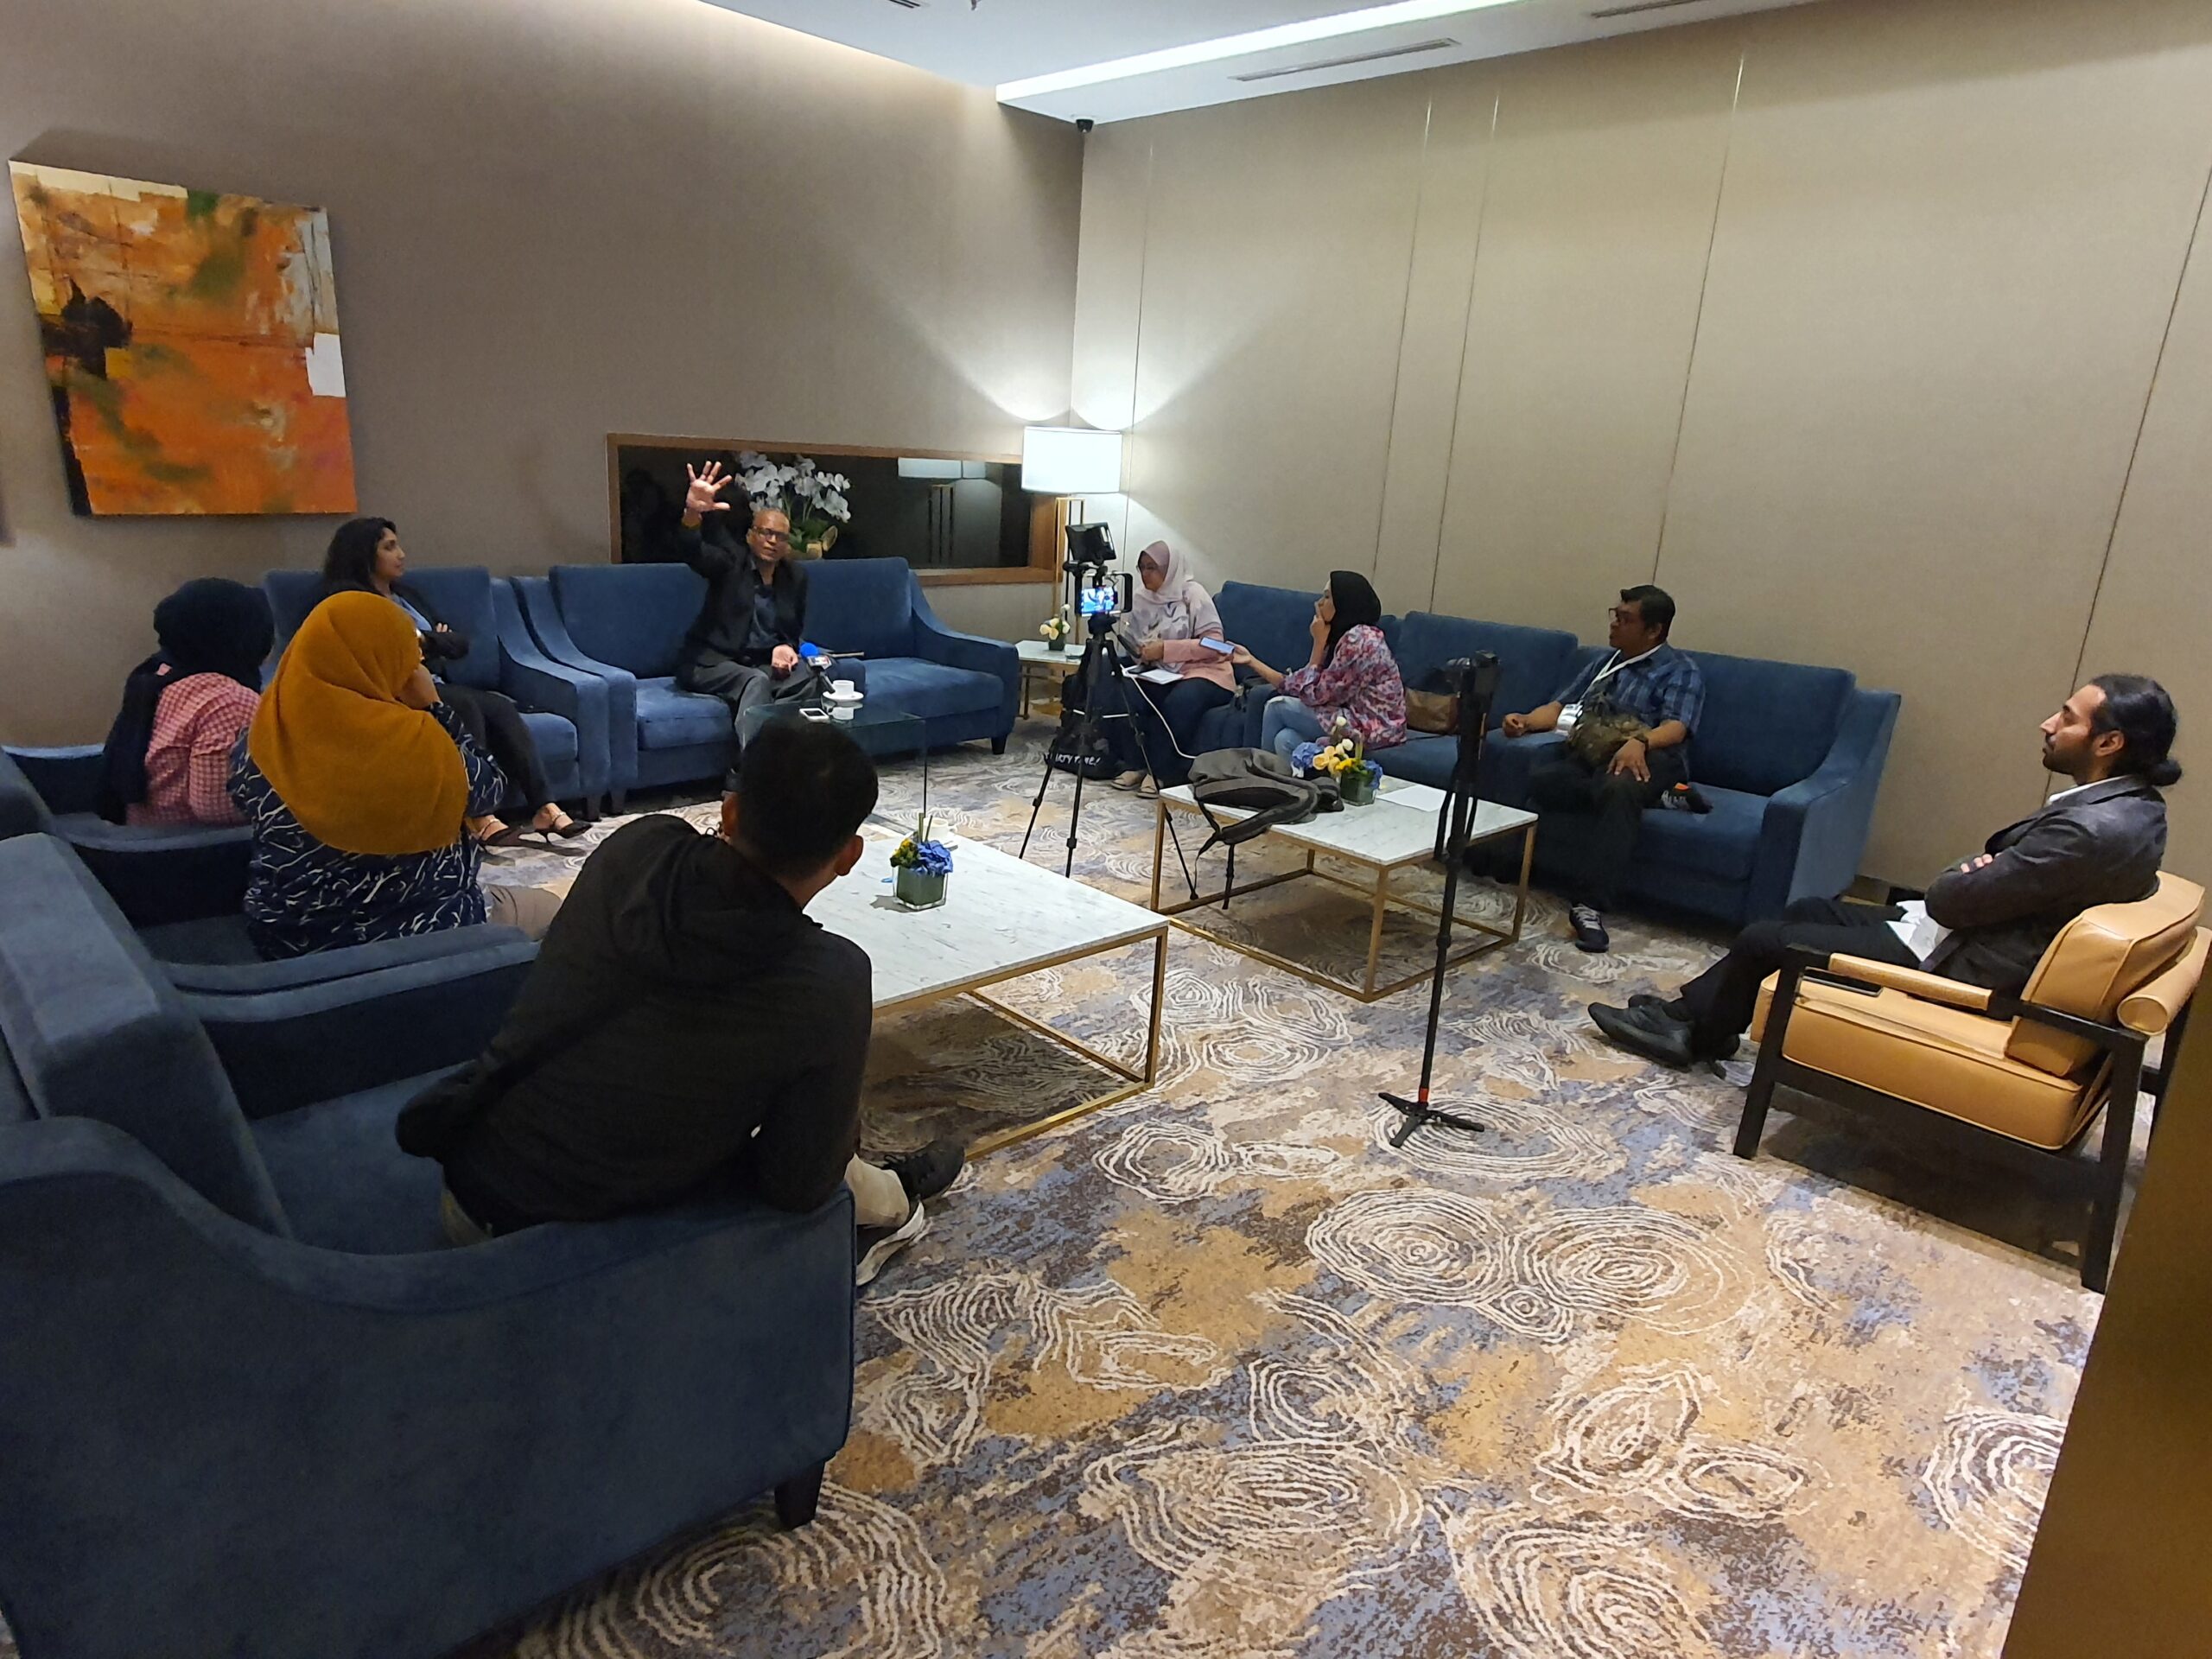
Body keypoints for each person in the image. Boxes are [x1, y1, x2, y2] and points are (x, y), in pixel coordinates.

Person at [411, 717, 963, 1287]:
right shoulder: (828, 977)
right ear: (849, 856)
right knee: (820, 1148)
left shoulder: (639, 843)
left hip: (468, 1168)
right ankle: (894, 1205)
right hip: (551, 1246)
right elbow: (797, 1186)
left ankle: (882, 1187)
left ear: (730, 813)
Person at [1589, 675, 2181, 1069]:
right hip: (1982, 933)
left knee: (1766, 938)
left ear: (2108, 742)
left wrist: (1968, 873)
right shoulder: (2134, 808)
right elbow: (1988, 886)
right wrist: (1983, 872)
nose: (2048, 724)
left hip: (1967, 962)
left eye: (2068, 718)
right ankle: (1697, 1019)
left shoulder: (2088, 830)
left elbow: (1950, 900)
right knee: (1807, 910)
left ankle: (1690, 1035)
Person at [230, 591, 562, 957]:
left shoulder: (262, 736)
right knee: (555, 908)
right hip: (423, 926)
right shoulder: (422, 741)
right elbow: (489, 790)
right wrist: (434, 706)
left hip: (288, 938)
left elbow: (244, 800)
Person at [321, 517, 584, 847]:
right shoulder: (349, 600)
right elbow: (382, 651)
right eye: (389, 547)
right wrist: (428, 640)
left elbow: (457, 644)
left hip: (433, 682)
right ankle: (479, 815)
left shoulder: (406, 595)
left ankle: (545, 808)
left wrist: (423, 641)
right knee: (464, 706)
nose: (401, 554)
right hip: (395, 692)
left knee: (501, 708)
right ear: (364, 554)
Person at [1501, 584, 1705, 954]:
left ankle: (1590, 905)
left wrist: (1640, 742)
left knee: (1619, 788)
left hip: (1653, 755)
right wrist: (1525, 721)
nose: (1614, 624)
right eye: (1615, 615)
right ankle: (1661, 798)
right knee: (1544, 781)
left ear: (1653, 630)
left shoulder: (1680, 671)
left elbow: (1677, 727)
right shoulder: (1605, 663)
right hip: (1597, 753)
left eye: (1625, 619)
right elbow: (1559, 706)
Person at [97, 577, 273, 826]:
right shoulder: (229, 701)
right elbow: (218, 808)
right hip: (192, 842)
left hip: (141, 833)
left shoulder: (159, 673)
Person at [666, 460, 816, 751]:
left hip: (757, 662)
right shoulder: (730, 563)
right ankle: (750, 767)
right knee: (756, 682)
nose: (772, 541)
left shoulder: (795, 577)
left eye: (780, 536)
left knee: (811, 677)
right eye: (765, 533)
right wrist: (692, 513)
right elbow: (692, 551)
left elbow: (792, 631)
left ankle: (781, 751)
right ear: (750, 536)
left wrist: (785, 648)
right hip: (710, 663)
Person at [1102, 541, 1236, 797]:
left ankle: (1162, 772)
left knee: (1180, 701)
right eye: (1141, 568)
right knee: (1125, 690)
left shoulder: (1192, 594)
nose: (1145, 574)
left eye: (1152, 568)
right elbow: (1135, 638)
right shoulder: (1141, 597)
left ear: (1170, 568)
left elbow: (1216, 645)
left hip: (1205, 672)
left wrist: (1166, 649)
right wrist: (1141, 651)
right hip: (1161, 672)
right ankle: (1136, 764)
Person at [1240, 570, 1407, 763]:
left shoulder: (1359, 641)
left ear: (1344, 603)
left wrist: (1318, 644)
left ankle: (1262, 777)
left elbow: (1314, 695)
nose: (1318, 604)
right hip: (1357, 717)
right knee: (1285, 739)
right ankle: (1298, 782)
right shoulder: (1345, 635)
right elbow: (1298, 686)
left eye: (1327, 597)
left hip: (1374, 726)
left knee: (1276, 707)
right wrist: (1251, 660)